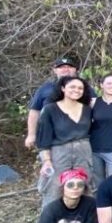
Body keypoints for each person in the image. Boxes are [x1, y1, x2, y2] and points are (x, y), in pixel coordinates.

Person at [36, 76, 95, 207]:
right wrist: (46, 161)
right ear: (63, 88)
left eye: (80, 88)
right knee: (54, 187)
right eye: (72, 87)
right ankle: (51, 217)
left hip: (83, 151)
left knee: (84, 185)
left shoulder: (87, 109)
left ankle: (85, 217)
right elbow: (44, 138)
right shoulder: (50, 109)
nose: (76, 90)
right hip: (59, 152)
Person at [25, 56, 94, 149]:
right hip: (51, 138)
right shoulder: (45, 89)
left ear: (75, 69)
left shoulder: (85, 88)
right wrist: (31, 135)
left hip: (79, 139)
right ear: (55, 70)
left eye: (69, 67)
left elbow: (94, 109)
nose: (66, 69)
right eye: (61, 67)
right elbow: (34, 111)